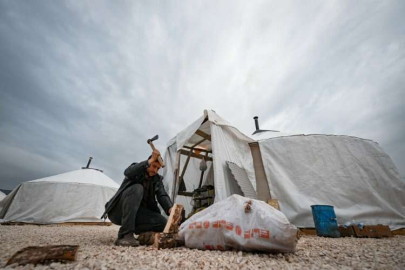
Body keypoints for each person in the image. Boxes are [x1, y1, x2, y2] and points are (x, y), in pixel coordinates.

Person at [101, 149, 173, 247]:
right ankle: (124, 235)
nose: (155, 170)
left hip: (138, 214)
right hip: (118, 211)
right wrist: (150, 160)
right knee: (137, 188)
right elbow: (128, 172)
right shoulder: (137, 170)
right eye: (154, 166)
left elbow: (162, 195)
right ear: (149, 163)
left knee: (162, 222)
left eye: (158, 168)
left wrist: (170, 208)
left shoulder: (157, 180)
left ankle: (142, 235)